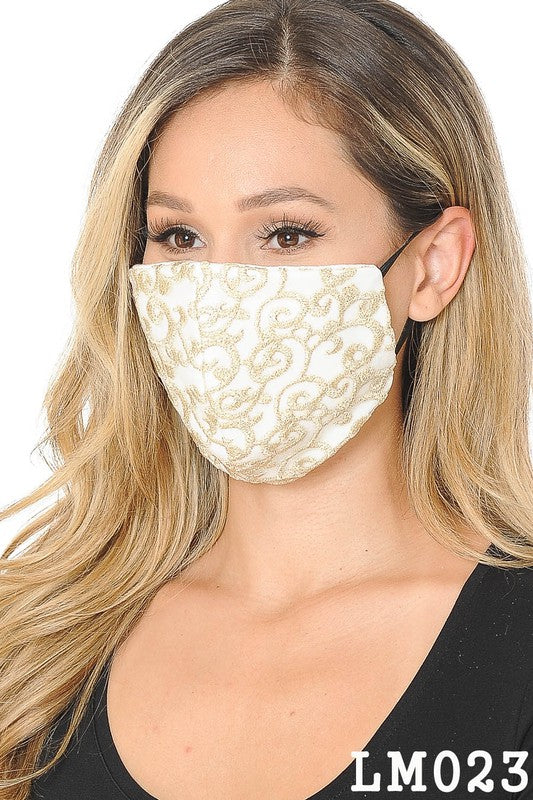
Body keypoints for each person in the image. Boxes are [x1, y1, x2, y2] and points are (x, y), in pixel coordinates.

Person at [1, 0, 533, 798]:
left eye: (286, 234)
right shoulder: (36, 642)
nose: (218, 292)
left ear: (431, 265)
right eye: (178, 237)